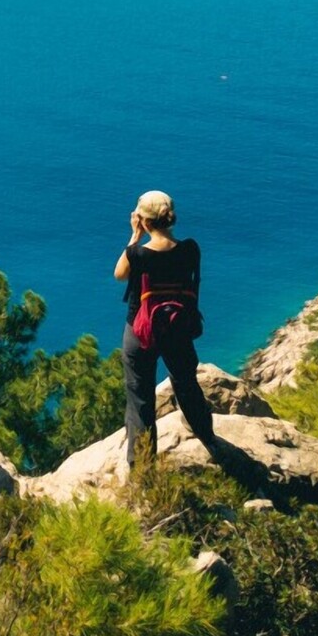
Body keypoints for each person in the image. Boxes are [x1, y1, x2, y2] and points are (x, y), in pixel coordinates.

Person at [114, 188, 219, 465]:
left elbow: (119, 275)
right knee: (186, 384)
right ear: (171, 218)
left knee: (140, 398)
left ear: (143, 221)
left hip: (140, 331)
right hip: (178, 328)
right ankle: (206, 435)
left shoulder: (138, 254)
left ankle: (143, 467)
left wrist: (135, 236)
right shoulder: (190, 249)